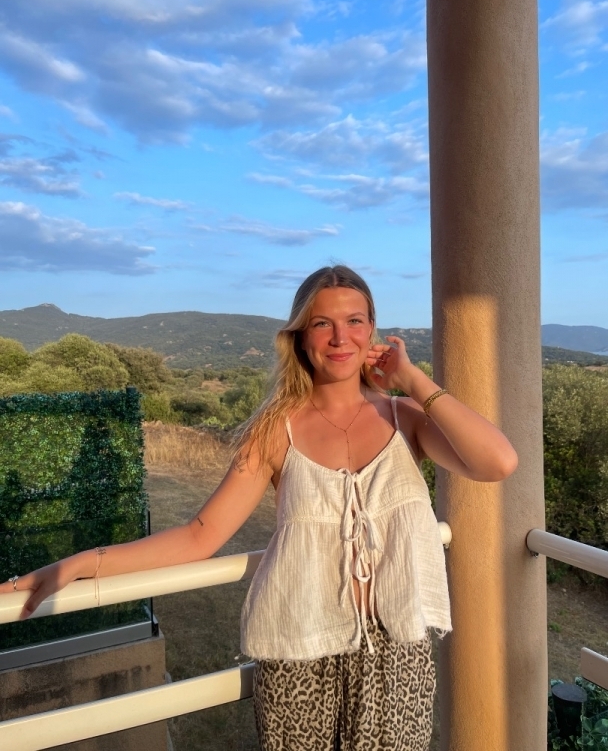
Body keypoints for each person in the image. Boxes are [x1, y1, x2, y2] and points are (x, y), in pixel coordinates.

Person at [1, 265, 518, 750]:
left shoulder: (407, 419)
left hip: (397, 653)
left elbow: (498, 462)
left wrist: (414, 380)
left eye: (354, 321)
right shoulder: (276, 430)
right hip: (299, 652)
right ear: (300, 337)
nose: (340, 338)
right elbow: (200, 535)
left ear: (372, 331)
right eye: (322, 323)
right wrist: (81, 563)